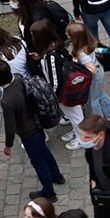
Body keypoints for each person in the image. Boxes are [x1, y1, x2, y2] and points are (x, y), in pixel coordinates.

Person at [0, 60, 65, 202]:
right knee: (45, 151)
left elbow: (10, 127)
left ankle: (49, 192)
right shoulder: (19, 79)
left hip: (28, 133)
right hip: (38, 123)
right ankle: (57, 175)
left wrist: (8, 146)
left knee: (38, 162)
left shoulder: (7, 101)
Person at [31, 20, 83, 150]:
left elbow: (55, 79)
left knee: (76, 115)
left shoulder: (51, 56)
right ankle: (76, 131)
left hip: (64, 93)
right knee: (73, 115)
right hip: (66, 91)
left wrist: (53, 96)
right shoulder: (56, 46)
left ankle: (81, 137)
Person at [68, 21, 110, 121]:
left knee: (92, 100)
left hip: (93, 77)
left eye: (68, 34)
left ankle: (97, 121)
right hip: (99, 71)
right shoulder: (90, 44)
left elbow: (92, 70)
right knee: (98, 93)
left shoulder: (81, 54)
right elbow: (103, 51)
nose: (66, 35)